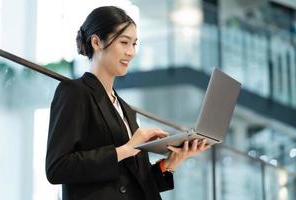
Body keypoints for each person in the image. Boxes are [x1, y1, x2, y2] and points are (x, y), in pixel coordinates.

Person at [45, 6, 210, 200]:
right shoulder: (74, 92)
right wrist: (125, 150)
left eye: (134, 44)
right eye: (124, 42)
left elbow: (133, 185)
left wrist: (171, 163)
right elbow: (57, 168)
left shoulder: (126, 109)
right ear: (97, 42)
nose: (131, 52)